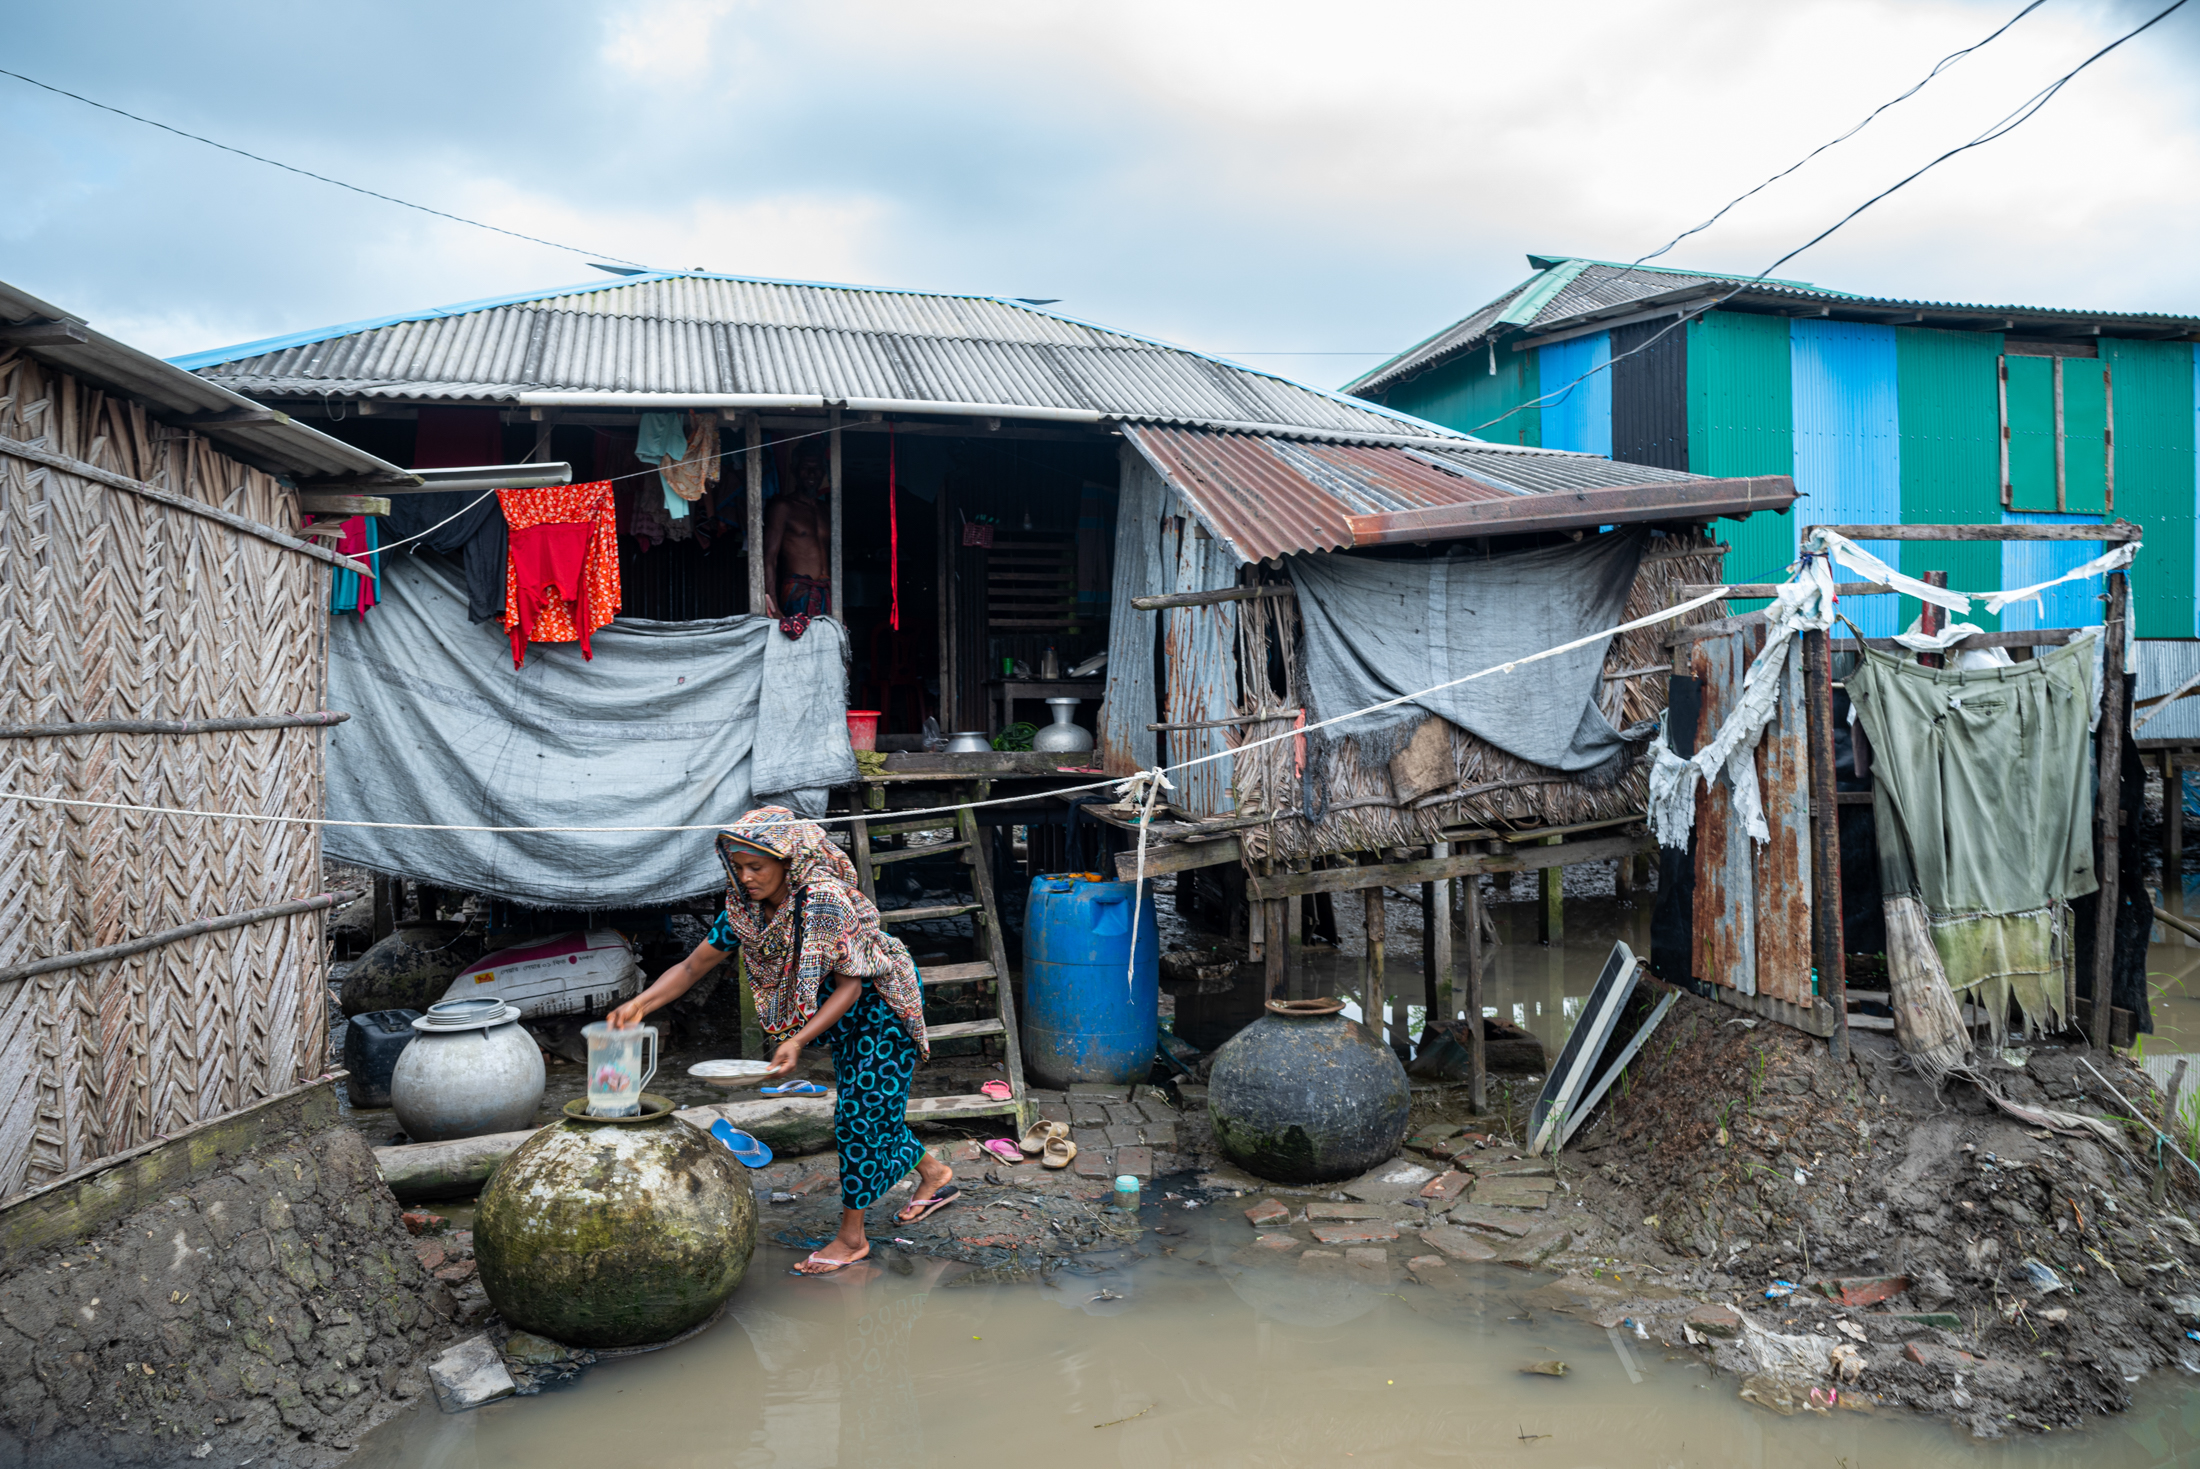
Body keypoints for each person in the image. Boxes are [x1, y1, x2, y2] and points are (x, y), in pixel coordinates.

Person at [607, 806, 954, 1273]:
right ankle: (934, 1172)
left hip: (879, 1007)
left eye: (756, 867)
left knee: (858, 1116)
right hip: (840, 1015)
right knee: (872, 1109)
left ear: (787, 861)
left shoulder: (823, 899)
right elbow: (694, 966)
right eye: (738, 866)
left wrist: (796, 1040)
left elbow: (851, 985)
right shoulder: (746, 910)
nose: (745, 877)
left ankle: (852, 1239)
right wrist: (641, 1005)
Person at [762, 445, 831, 635]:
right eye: (805, 467)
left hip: (826, 590)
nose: (811, 473)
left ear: (823, 472)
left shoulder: (826, 510)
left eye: (816, 468)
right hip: (798, 592)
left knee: (827, 651)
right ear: (794, 470)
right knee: (798, 653)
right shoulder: (783, 507)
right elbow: (769, 558)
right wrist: (772, 604)